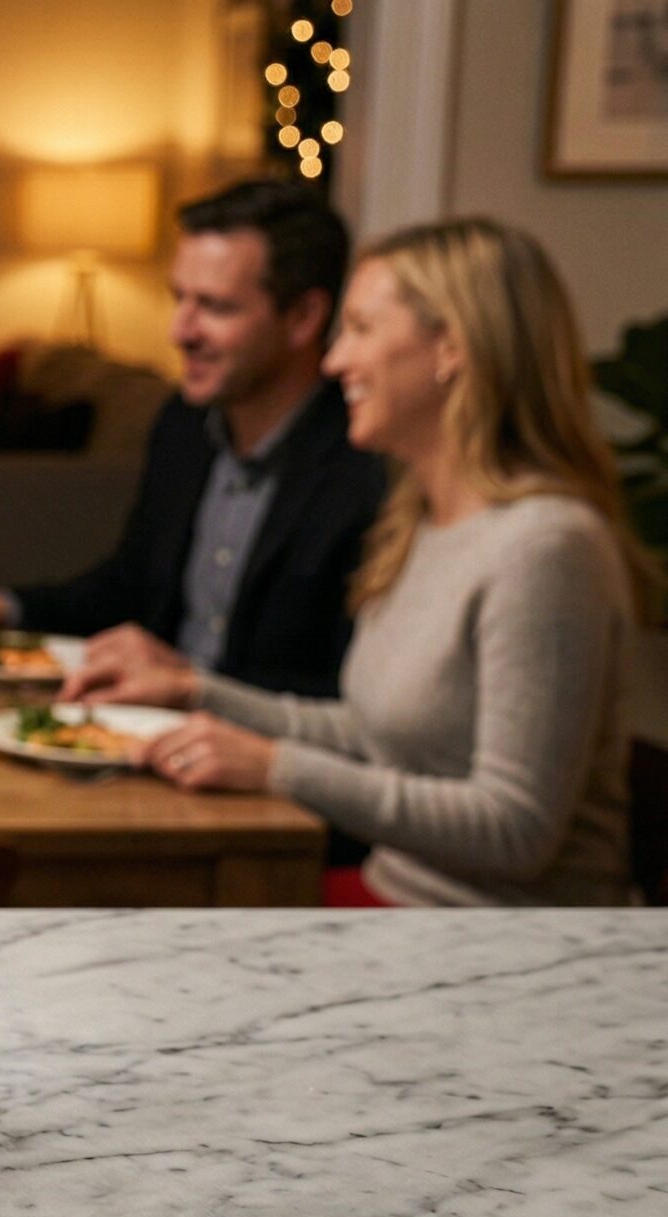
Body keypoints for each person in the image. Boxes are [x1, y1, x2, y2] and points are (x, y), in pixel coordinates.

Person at [68, 219, 655, 907]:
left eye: (360, 329)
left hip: (497, 939)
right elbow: (370, 732)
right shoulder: (423, 520)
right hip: (397, 903)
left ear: (452, 349)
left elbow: (516, 829)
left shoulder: (546, 546)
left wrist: (276, 768)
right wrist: (194, 691)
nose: (333, 361)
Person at [0, 180, 387, 699]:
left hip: (257, 745)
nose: (180, 331)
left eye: (215, 307)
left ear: (303, 318)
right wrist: (1, 608)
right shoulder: (183, 426)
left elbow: (351, 697)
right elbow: (130, 585)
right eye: (179, 298)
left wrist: (191, 683)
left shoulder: (367, 463)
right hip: (142, 727)